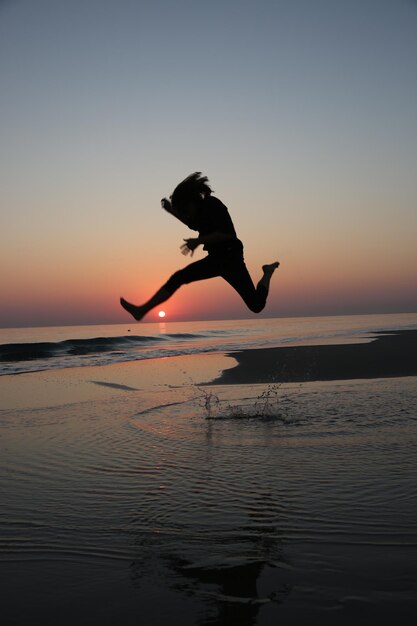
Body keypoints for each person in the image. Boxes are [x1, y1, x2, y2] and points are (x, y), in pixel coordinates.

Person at [120, 172, 279, 321]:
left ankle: (267, 272)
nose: (186, 212)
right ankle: (142, 311)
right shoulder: (200, 213)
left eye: (185, 208)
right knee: (179, 277)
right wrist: (171, 211)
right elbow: (192, 223)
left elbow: (226, 234)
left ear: (192, 200)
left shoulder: (213, 204)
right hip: (216, 259)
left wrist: (198, 241)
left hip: (230, 258)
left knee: (256, 305)